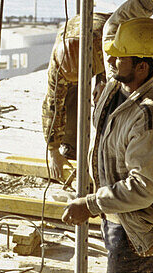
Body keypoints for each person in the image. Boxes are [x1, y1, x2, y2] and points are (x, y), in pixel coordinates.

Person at [62, 0, 153, 273]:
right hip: (116, 218)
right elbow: (114, 28)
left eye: (119, 58)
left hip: (134, 231)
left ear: (141, 67)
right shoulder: (120, 84)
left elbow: (143, 187)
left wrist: (90, 204)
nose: (110, 60)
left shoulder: (150, 119)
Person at [41, 10, 107, 179]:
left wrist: (103, 81)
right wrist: (53, 150)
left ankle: (112, 145)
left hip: (102, 32)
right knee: (67, 96)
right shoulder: (58, 69)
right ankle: (72, 145)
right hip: (71, 35)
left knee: (114, 97)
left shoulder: (103, 44)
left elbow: (119, 63)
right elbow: (52, 107)